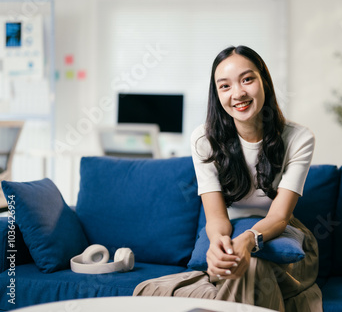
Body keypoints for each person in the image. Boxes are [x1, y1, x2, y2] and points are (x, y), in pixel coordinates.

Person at [134, 45, 322, 312]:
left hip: (286, 247)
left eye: (247, 79)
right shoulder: (204, 140)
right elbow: (217, 219)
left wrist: (247, 241)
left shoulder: (298, 138)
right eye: (225, 86)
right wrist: (218, 244)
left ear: (264, 82)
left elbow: (279, 217)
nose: (238, 93)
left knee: (251, 267)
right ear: (217, 94)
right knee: (246, 271)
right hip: (232, 239)